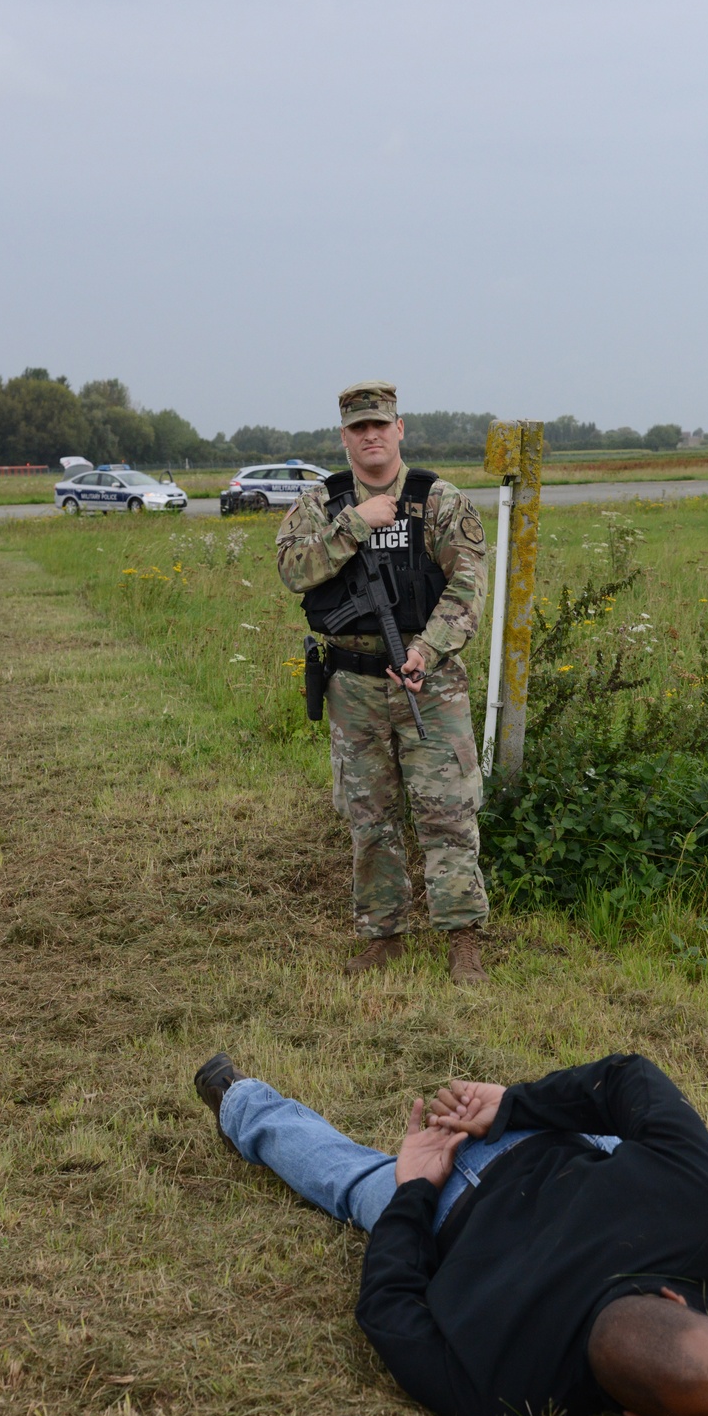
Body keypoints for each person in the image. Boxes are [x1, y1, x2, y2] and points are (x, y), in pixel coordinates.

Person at [194, 1049, 708, 1416]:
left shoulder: (703, 1210)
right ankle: (239, 1101)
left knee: (630, 1140)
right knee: (347, 1180)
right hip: (448, 1210)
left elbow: (627, 1078)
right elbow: (387, 1307)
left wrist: (511, 1109)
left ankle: (239, 1096)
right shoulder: (504, 1393)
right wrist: (413, 1195)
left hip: (530, 1143)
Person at [276, 380, 491, 983]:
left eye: (380, 425)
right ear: (344, 438)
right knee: (369, 816)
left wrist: (426, 650)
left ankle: (463, 938)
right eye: (358, 428)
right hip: (353, 684)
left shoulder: (438, 501)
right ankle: (383, 935)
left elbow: (468, 590)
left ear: (399, 430)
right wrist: (354, 525)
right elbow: (292, 569)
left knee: (448, 811)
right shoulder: (322, 504)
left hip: (431, 682)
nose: (370, 436)